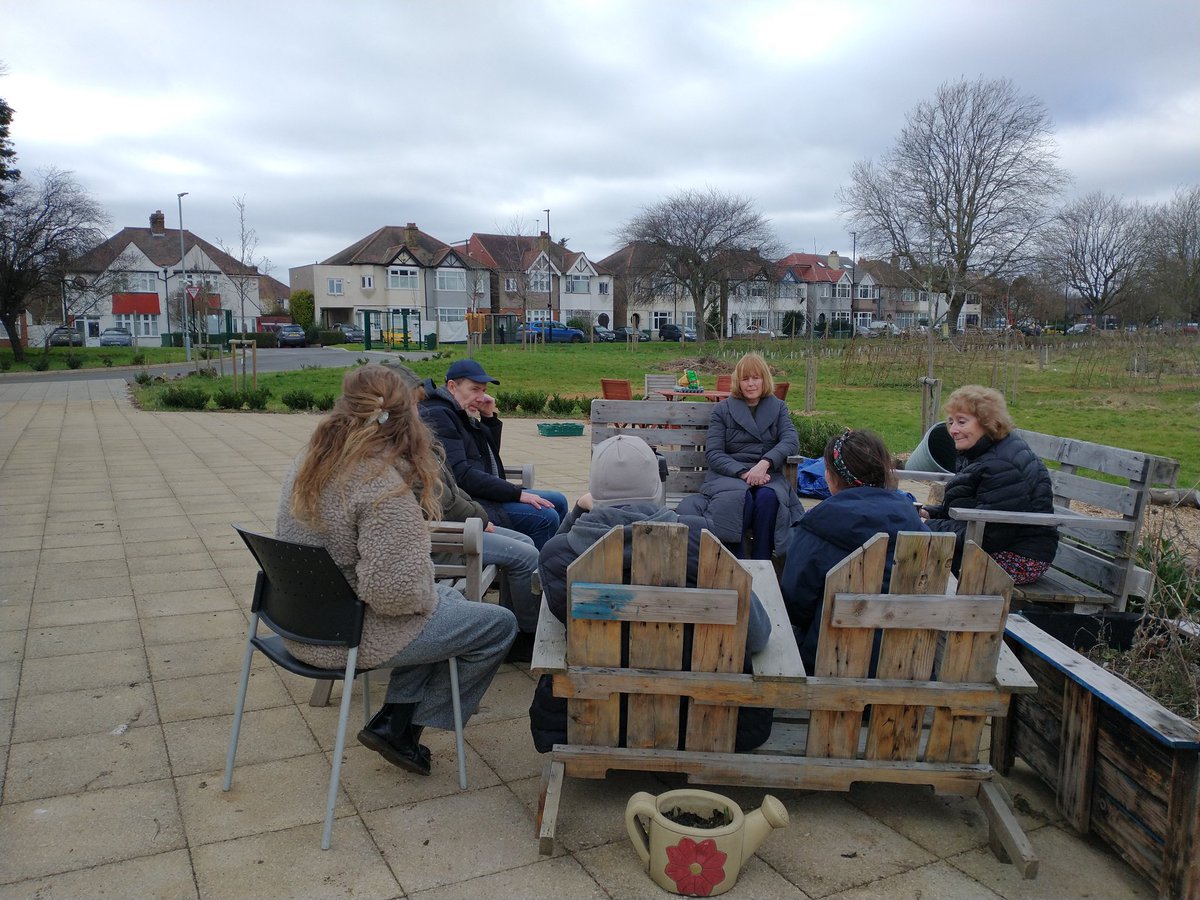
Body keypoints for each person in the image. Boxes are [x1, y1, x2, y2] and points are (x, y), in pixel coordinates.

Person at [276, 365, 516, 776]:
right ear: (411, 418)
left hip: (299, 621)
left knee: (450, 605)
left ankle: (394, 720)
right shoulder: (383, 484)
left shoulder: (309, 461)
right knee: (497, 625)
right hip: (348, 634)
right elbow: (397, 597)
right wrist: (430, 591)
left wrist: (436, 596)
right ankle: (408, 727)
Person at [530, 434, 774, 753]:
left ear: (594, 490)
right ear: (657, 488)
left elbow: (553, 595)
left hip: (588, 717)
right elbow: (757, 637)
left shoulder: (559, 557)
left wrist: (578, 510)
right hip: (711, 719)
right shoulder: (702, 544)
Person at [382, 359, 542, 663]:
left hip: (455, 520)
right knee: (527, 551)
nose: (420, 412)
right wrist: (481, 518)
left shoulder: (417, 434)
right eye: (413, 405)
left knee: (526, 543)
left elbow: (472, 469)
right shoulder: (408, 440)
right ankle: (528, 635)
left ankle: (517, 626)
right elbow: (443, 493)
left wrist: (489, 418)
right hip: (443, 536)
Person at [781, 428, 928, 673]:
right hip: (905, 658)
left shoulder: (818, 526)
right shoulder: (913, 522)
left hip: (831, 656)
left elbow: (795, 604)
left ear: (831, 476)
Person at [420, 358, 569, 550]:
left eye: (483, 390)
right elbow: (461, 475)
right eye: (474, 389)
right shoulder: (439, 415)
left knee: (559, 500)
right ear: (452, 386)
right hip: (471, 502)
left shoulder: (457, 410)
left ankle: (559, 562)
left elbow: (485, 456)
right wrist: (516, 493)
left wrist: (488, 418)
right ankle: (539, 574)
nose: (481, 397)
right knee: (546, 516)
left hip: (482, 493)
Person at [921, 385, 1058, 584]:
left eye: (961, 422)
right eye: (950, 422)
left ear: (987, 422)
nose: (953, 430)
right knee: (912, 548)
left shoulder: (1002, 465)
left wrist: (929, 526)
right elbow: (972, 508)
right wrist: (932, 514)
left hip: (1019, 557)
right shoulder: (982, 452)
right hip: (995, 543)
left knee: (915, 557)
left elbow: (988, 535)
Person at [676, 352, 800, 559]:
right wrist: (744, 473)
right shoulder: (722, 410)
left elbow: (791, 441)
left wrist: (765, 463)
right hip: (728, 476)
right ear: (738, 382)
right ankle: (734, 561)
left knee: (768, 497)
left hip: (767, 476)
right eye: (745, 379)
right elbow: (714, 453)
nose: (751, 384)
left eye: (755, 378)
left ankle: (763, 562)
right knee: (739, 498)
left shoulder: (778, 408)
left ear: (764, 379)